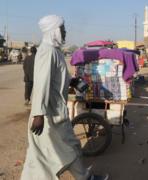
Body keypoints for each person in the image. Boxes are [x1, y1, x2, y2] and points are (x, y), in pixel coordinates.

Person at [21, 15, 108, 180]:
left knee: (51, 153)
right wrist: (38, 113)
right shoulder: (47, 52)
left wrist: (73, 81)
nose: (65, 32)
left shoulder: (55, 51)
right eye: (62, 29)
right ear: (54, 31)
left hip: (54, 112)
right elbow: (42, 83)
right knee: (69, 148)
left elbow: (57, 76)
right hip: (48, 115)